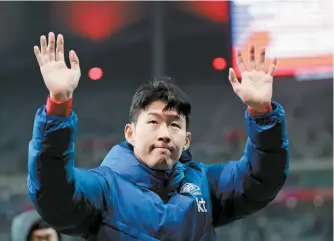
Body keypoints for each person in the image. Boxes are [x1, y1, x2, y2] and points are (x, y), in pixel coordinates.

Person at [28, 32, 289, 241]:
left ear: (186, 140)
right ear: (130, 133)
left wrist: (261, 113)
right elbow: (54, 195)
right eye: (153, 122)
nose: (164, 134)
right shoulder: (105, 189)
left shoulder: (205, 186)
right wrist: (58, 106)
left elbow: (261, 178)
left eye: (175, 125)